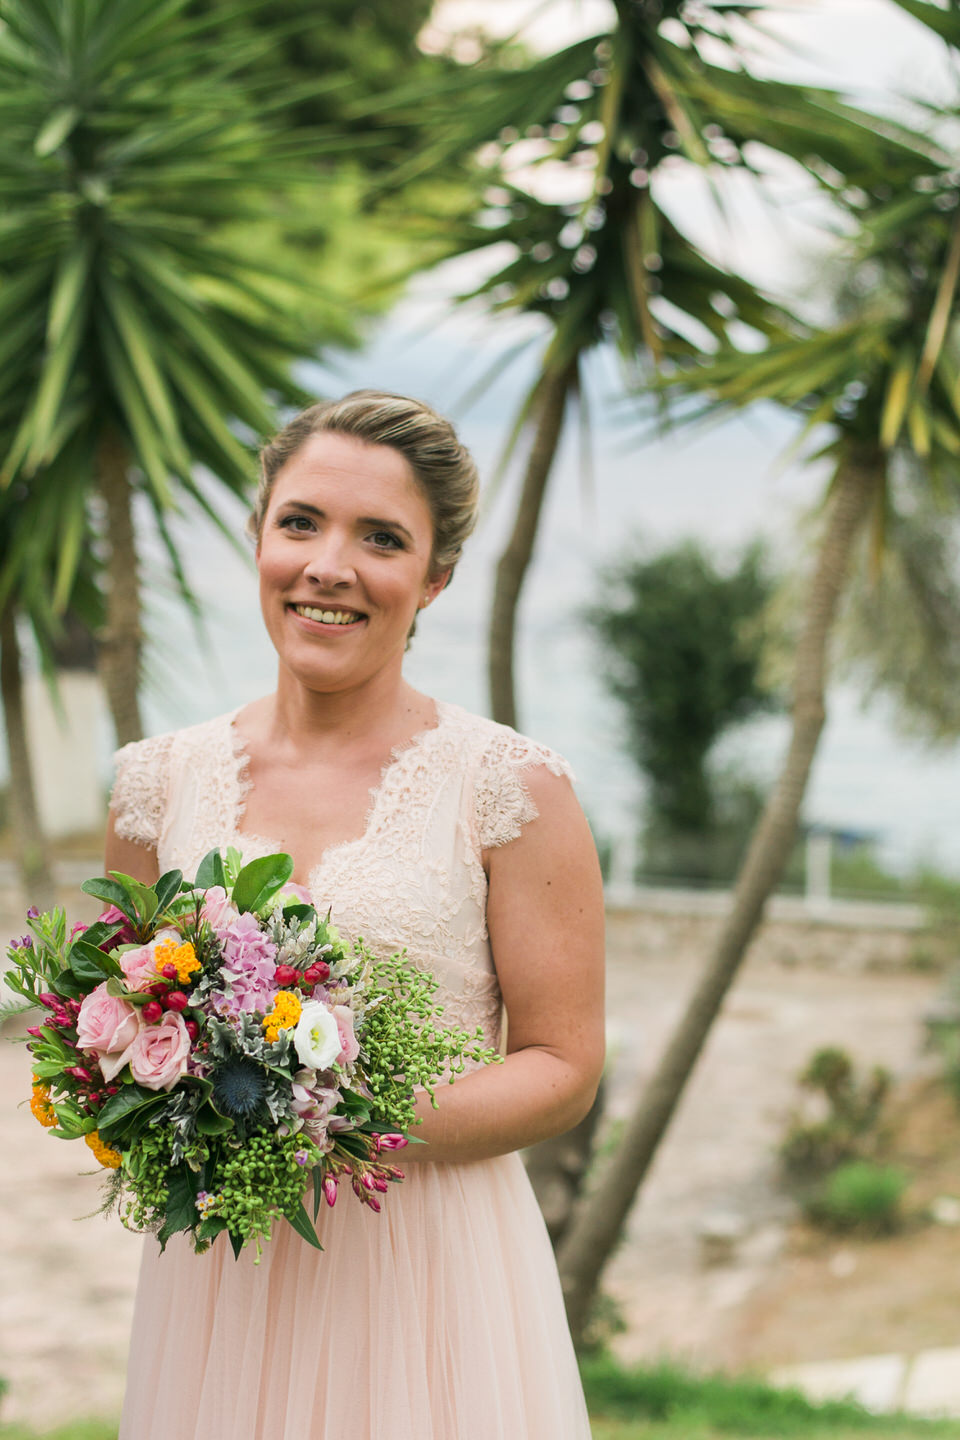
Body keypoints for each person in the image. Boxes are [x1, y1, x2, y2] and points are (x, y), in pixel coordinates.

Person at [106, 390, 606, 1440]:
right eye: (301, 523)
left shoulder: (509, 787)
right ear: (259, 538)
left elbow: (563, 1065)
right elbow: (123, 1023)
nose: (328, 566)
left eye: (381, 538)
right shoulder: (154, 784)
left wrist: (330, 1117)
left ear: (435, 579)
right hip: (223, 1282)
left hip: (432, 1273)